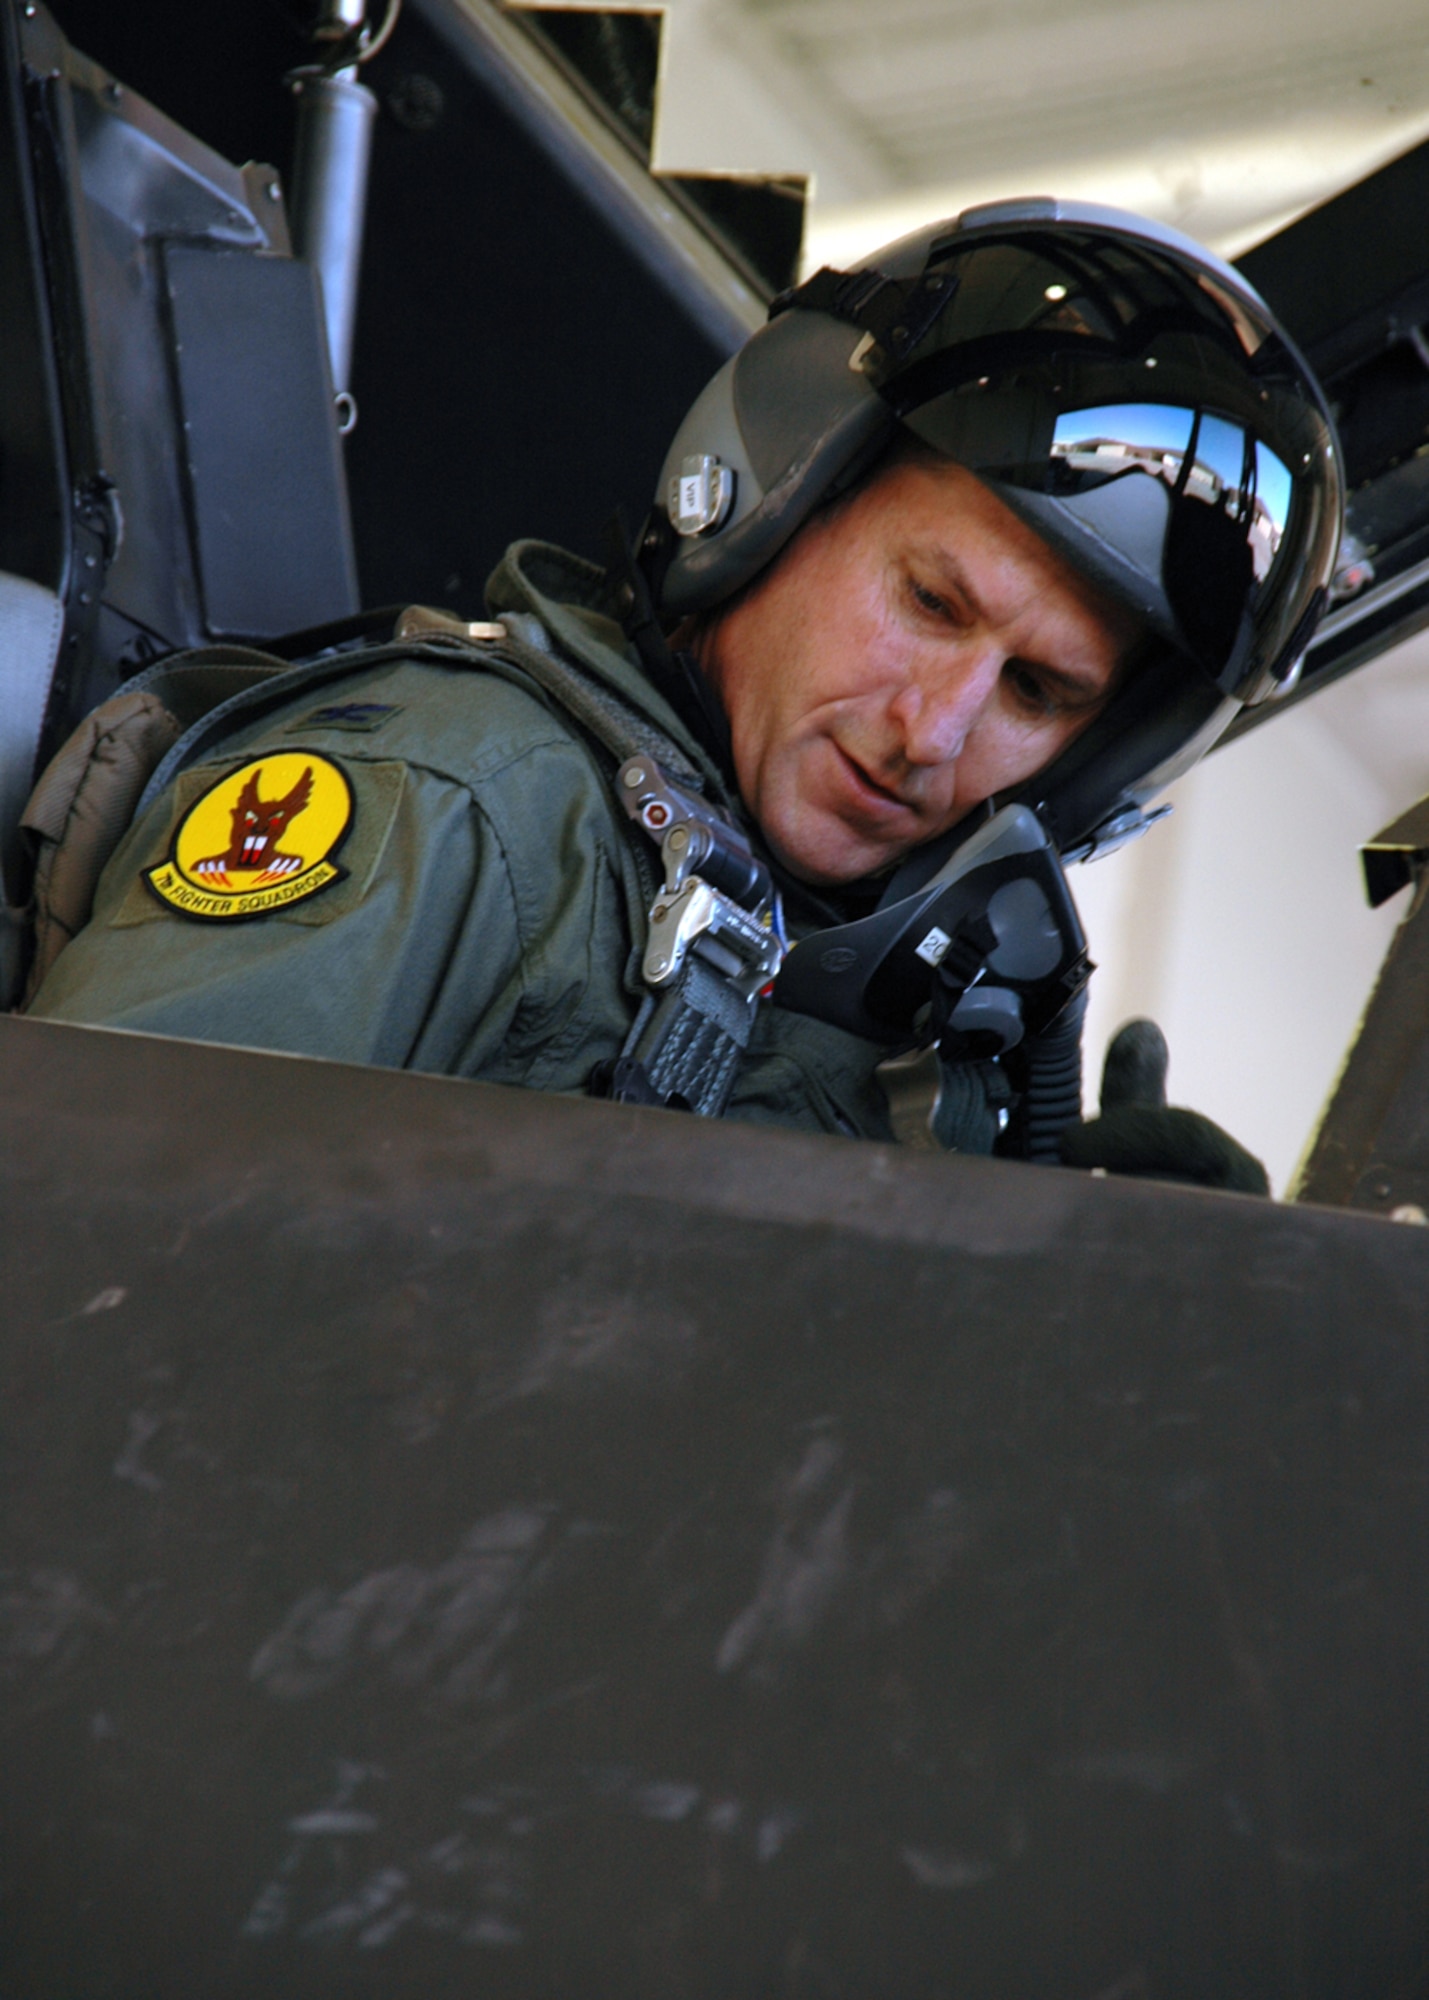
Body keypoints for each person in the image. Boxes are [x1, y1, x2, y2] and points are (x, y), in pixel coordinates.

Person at [24, 199, 1341, 1185]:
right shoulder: (461, 801)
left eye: (1038, 690)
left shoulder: (871, 1002)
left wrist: (1108, 1306)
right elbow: (74, 1256)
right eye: (930, 604)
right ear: (773, 504)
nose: (931, 733)